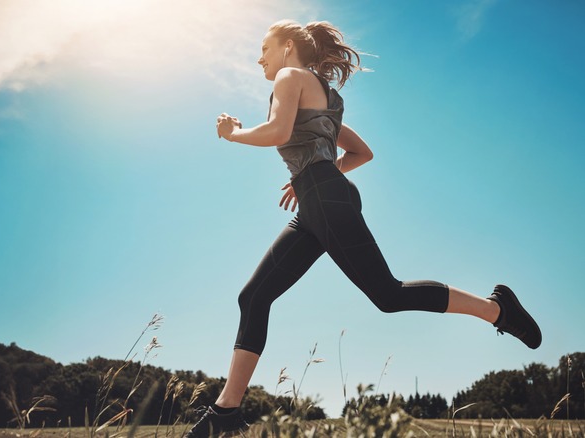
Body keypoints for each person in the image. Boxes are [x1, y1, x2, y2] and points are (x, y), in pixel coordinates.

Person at [184, 19, 542, 438]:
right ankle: (226, 413)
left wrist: (233, 133)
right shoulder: (326, 96)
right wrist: (314, 174)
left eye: (265, 47)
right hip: (321, 200)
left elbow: (278, 131)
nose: (260, 57)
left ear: (286, 48)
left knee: (388, 295)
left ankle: (497, 308)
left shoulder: (288, 76)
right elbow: (361, 152)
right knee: (254, 296)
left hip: (325, 199)